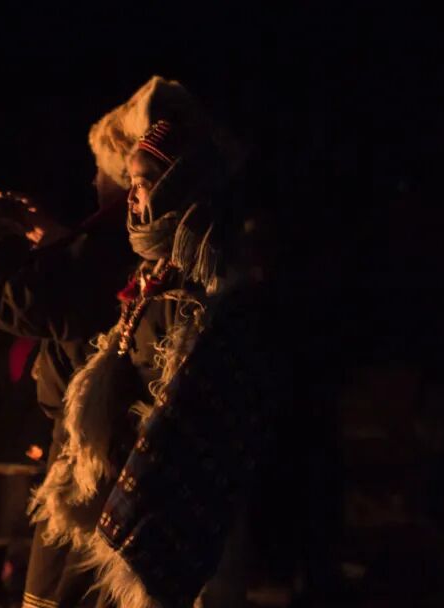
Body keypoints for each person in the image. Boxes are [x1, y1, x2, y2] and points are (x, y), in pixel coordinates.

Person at [27, 82, 284, 608]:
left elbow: (201, 421)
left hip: (174, 520)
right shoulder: (154, 276)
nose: (133, 195)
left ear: (178, 186)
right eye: (132, 182)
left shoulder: (210, 290)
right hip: (125, 501)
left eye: (144, 182)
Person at [0, 77, 189, 608]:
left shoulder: (122, 244)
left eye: (108, 172)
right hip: (101, 459)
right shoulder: (124, 244)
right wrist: (58, 241)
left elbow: (25, 300)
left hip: (97, 465)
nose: (98, 182)